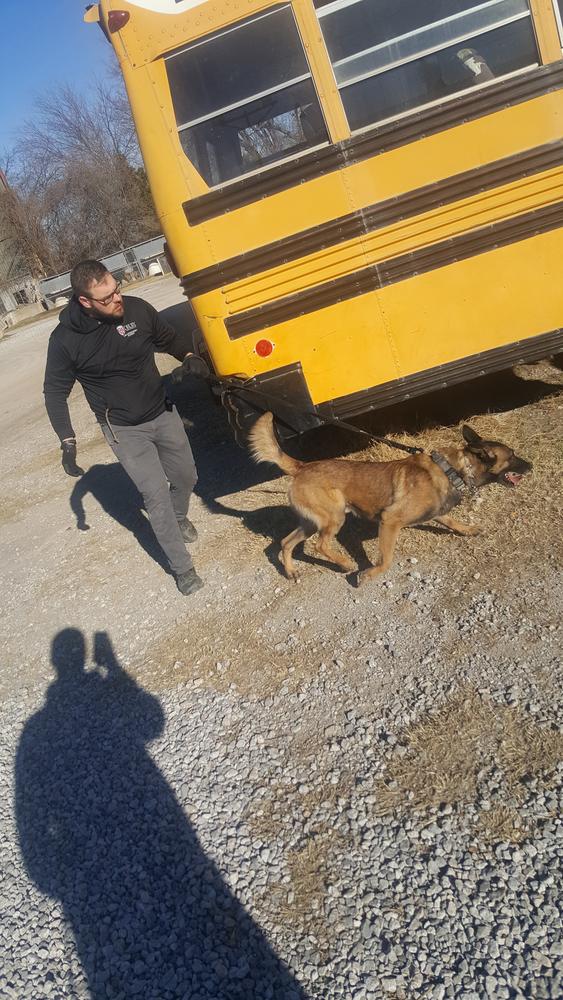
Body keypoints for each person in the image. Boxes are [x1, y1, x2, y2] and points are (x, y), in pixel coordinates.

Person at [43, 259, 208, 596]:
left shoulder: (136, 309)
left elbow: (169, 338)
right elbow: (55, 392)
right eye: (106, 298)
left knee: (186, 476)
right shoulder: (65, 340)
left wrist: (189, 356)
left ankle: (178, 517)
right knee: (155, 495)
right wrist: (67, 440)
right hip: (123, 428)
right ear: (85, 302)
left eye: (116, 289)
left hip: (161, 410)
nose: (117, 298)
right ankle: (183, 568)